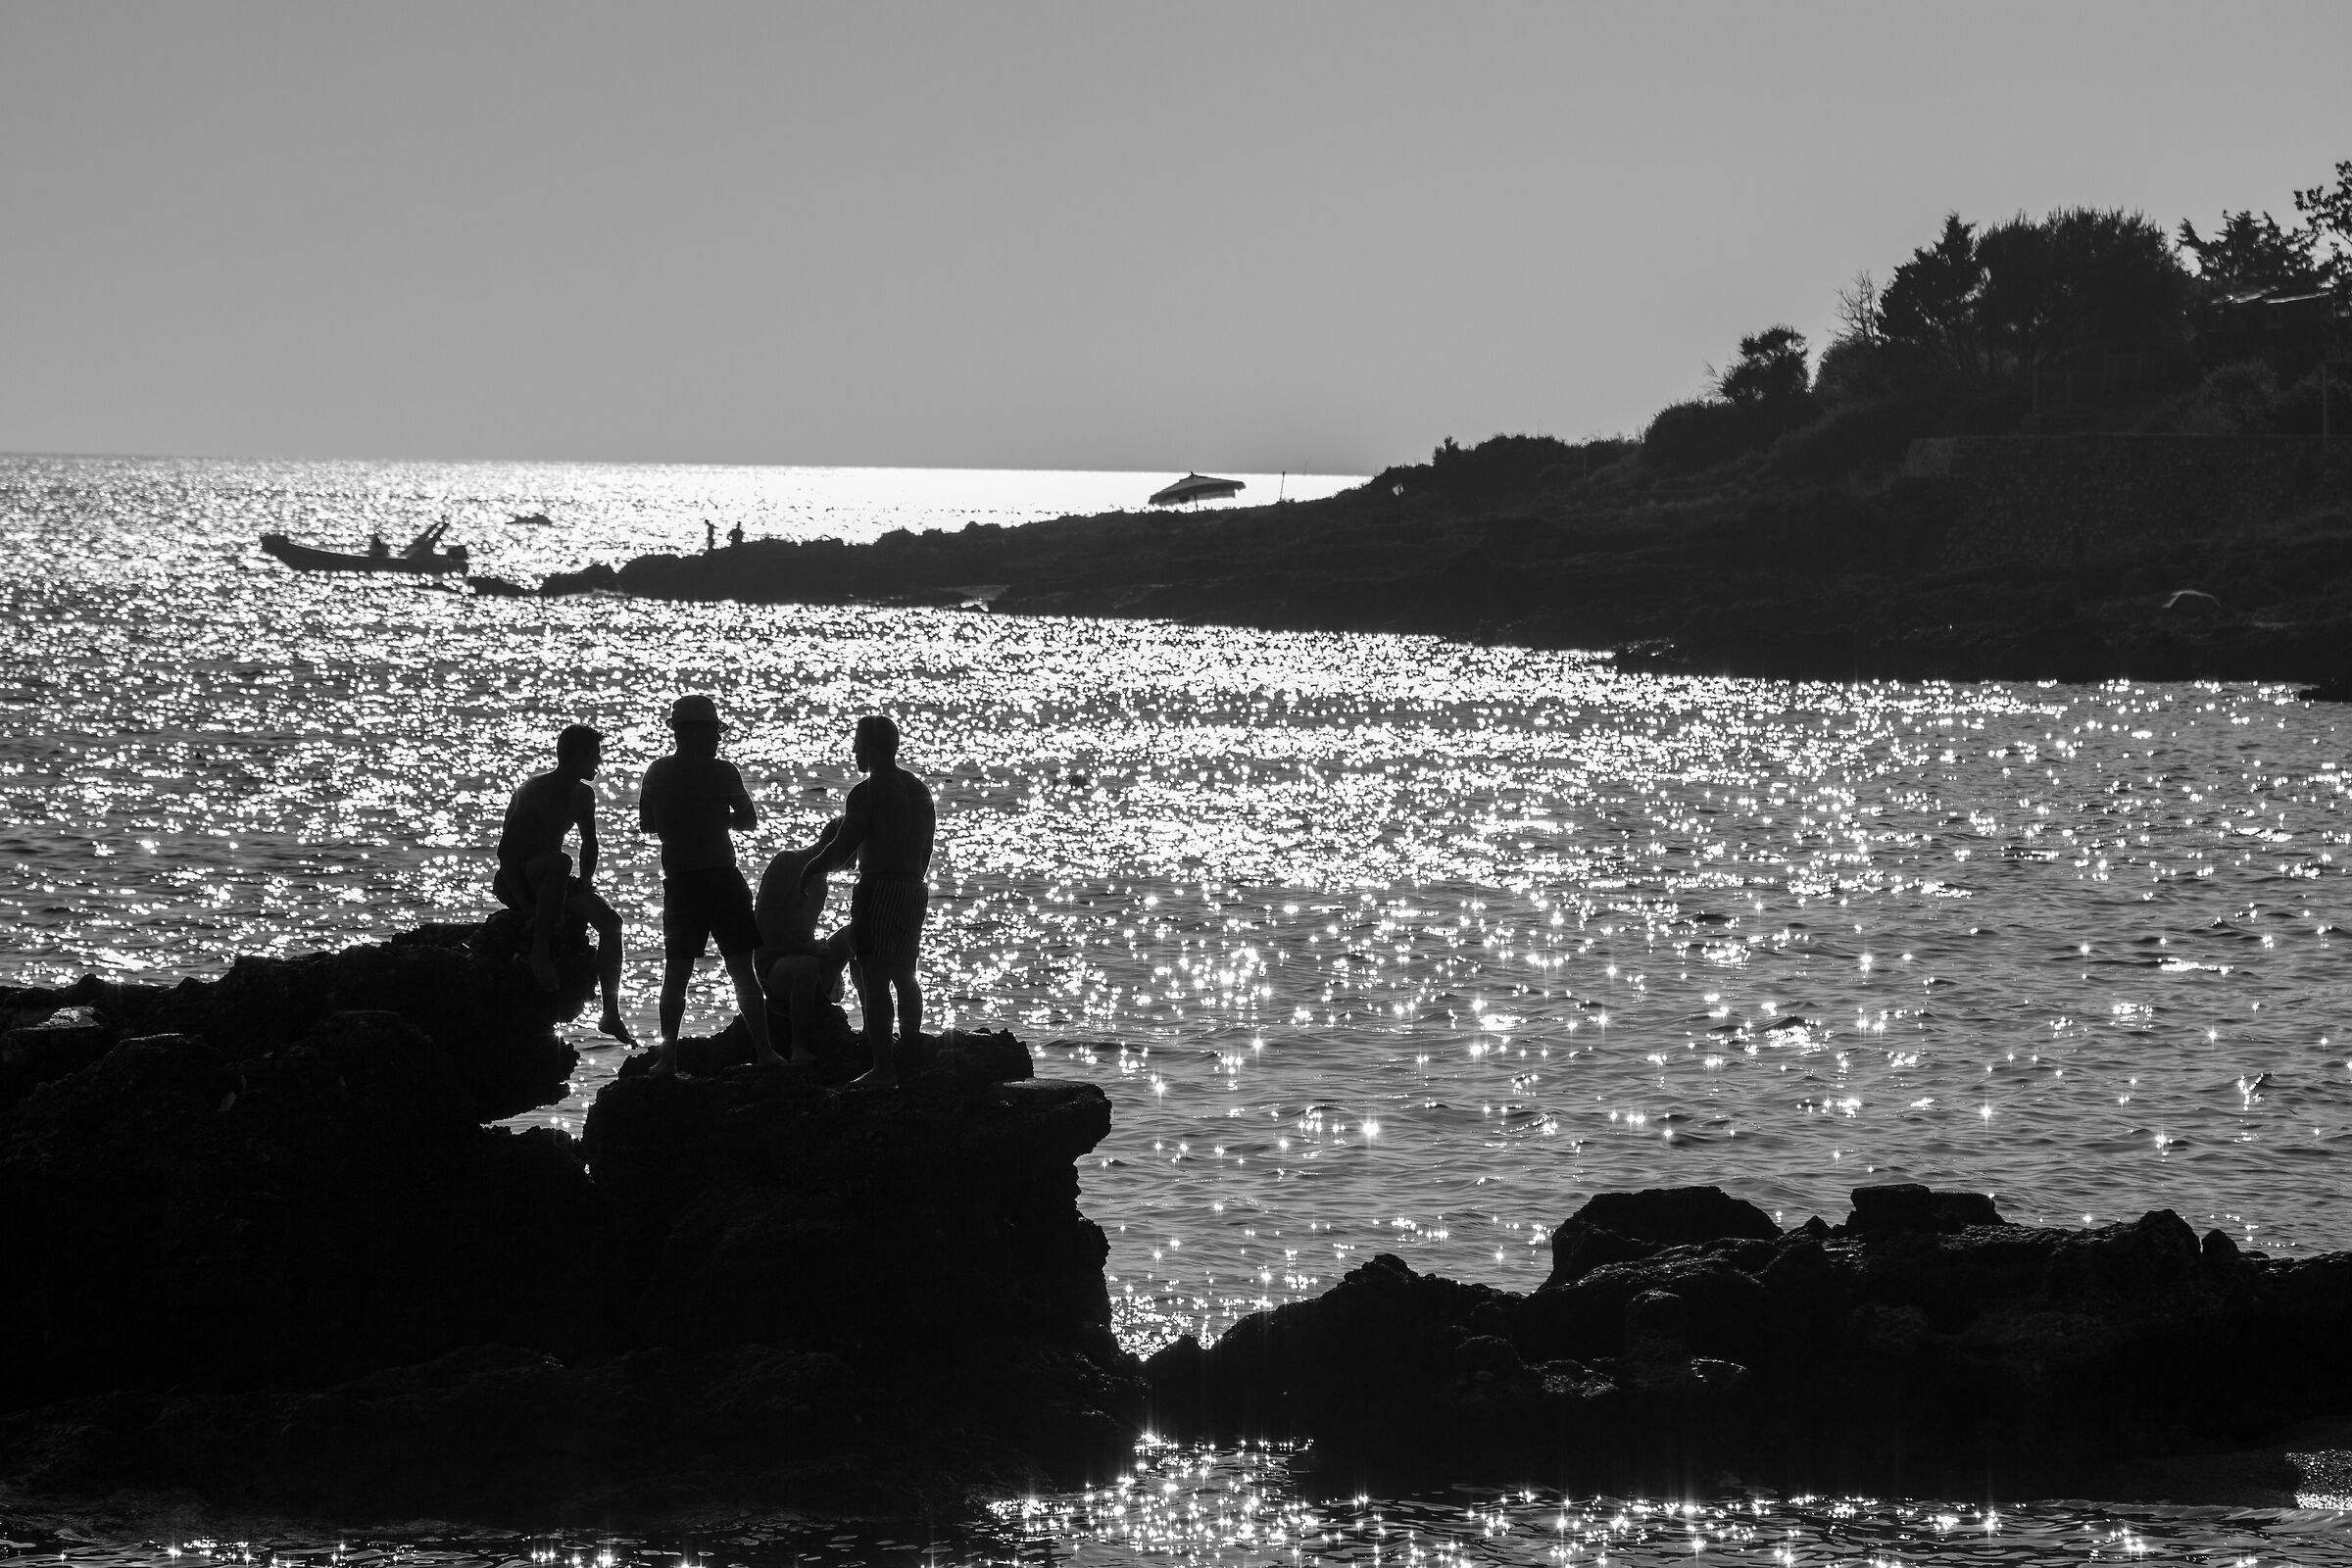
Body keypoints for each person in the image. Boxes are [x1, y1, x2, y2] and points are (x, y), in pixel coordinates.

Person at [639, 694, 775, 1073]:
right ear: (695, 732)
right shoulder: (724, 773)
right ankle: (765, 1053)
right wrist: (715, 821)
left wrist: (683, 821)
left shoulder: (656, 773)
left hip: (681, 882)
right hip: (721, 878)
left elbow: (647, 825)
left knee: (676, 975)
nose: (717, 739)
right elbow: (748, 820)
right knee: (742, 972)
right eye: (714, 731)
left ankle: (668, 1060)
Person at [800, 714, 934, 1087]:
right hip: (913, 888)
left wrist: (812, 867)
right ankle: (908, 1052)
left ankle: (883, 1070)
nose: (854, 750)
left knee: (874, 979)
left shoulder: (866, 792)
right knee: (905, 974)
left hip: (878, 889)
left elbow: (844, 846)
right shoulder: (919, 788)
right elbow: (926, 848)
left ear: (871, 748)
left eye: (857, 744)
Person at [493, 723, 635, 1043]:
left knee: (612, 923)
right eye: (594, 756)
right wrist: (527, 908)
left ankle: (610, 1013)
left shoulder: (584, 795)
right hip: (518, 878)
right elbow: (506, 855)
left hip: (553, 879)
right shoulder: (532, 791)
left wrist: (586, 882)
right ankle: (538, 952)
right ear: (576, 756)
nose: (598, 763)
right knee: (559, 861)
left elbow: (590, 842)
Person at [755, 817, 853, 1065]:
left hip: (804, 956)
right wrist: (805, 949)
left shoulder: (821, 882)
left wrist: (818, 948)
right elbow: (763, 923)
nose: (853, 866)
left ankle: (873, 1027)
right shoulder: (788, 862)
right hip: (774, 967)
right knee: (806, 965)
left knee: (856, 933)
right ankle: (798, 1047)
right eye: (852, 855)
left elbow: (804, 932)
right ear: (837, 845)